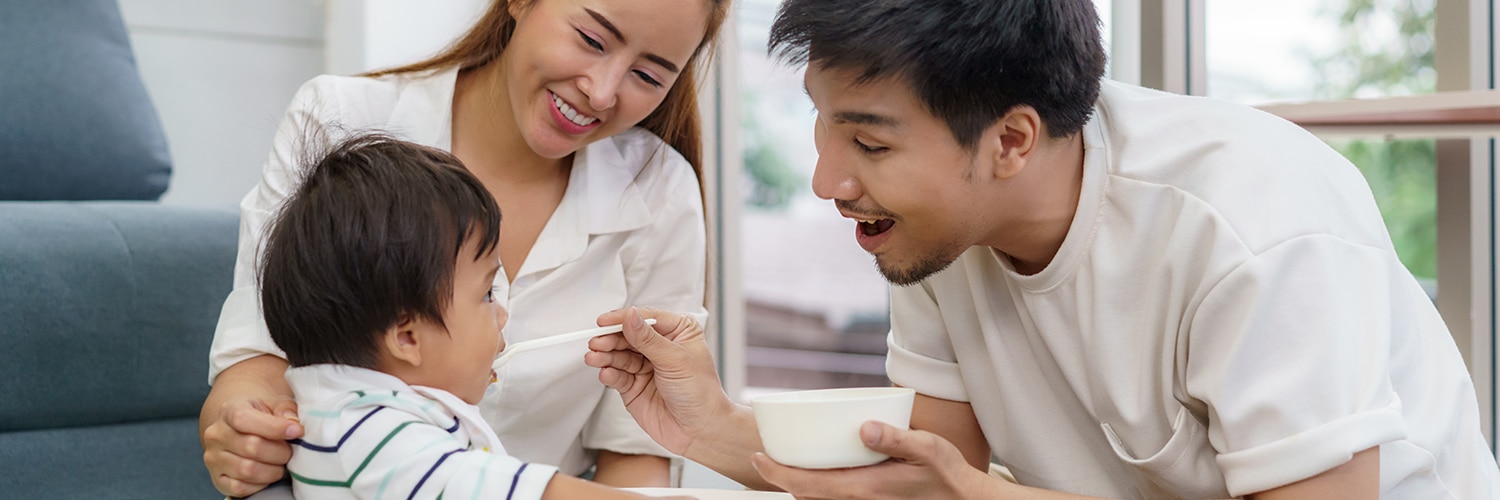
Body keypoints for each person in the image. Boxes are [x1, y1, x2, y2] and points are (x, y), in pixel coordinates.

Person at [584, 0, 1500, 498]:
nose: (828, 181)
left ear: (1011, 141)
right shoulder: (938, 230)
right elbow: (918, 476)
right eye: (823, 130)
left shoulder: (1251, 224)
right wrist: (712, 426)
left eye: (868, 143)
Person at [199, 0, 731, 496]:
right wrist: (245, 435)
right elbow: (260, 353)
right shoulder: (341, 120)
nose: (601, 91)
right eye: (592, 39)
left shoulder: (660, 188)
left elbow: (633, 450)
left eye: (647, 75)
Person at [259, 133, 667, 499]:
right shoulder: (371, 431)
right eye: (488, 294)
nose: (503, 314)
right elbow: (509, 491)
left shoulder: (355, 412)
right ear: (407, 338)